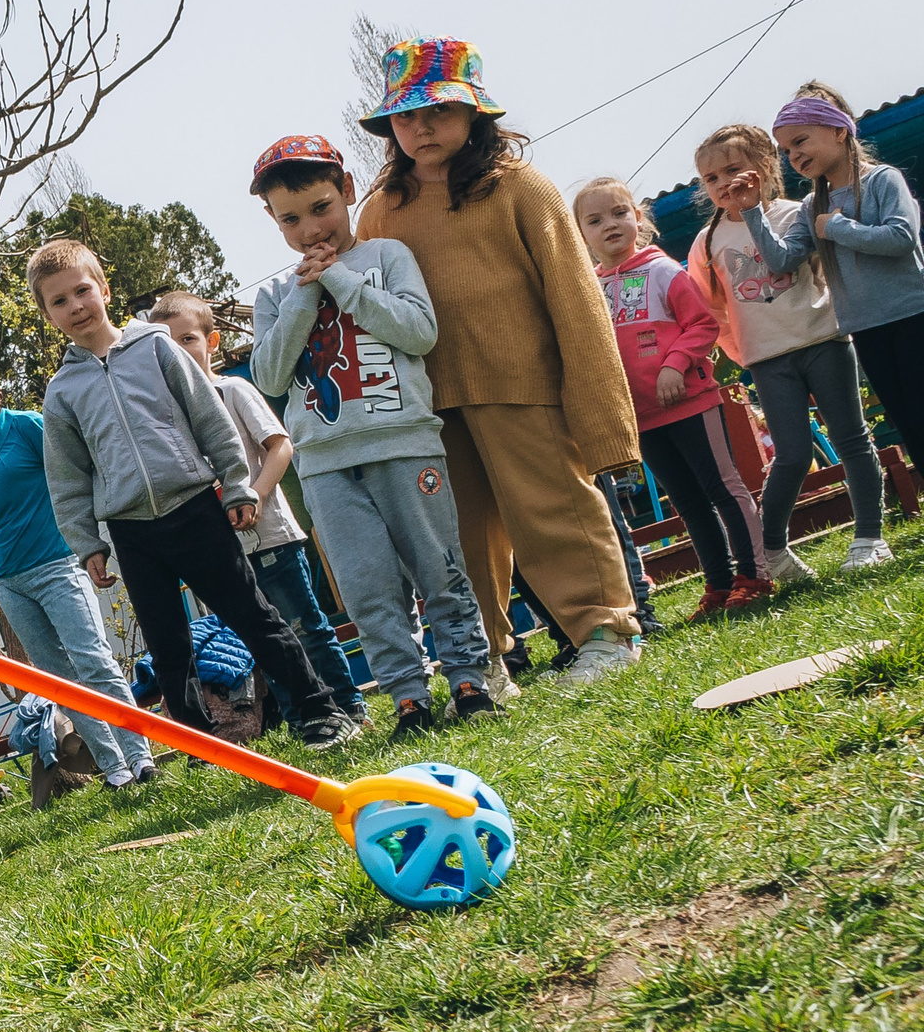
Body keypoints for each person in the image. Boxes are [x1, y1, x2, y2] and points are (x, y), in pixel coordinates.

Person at [351, 39, 644, 685]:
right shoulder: (377, 213)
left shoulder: (521, 189)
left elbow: (576, 297)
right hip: (428, 404)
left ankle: (606, 633)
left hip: (524, 385)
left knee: (554, 510)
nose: (421, 127)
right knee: (453, 539)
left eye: (439, 110)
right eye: (405, 117)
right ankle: (482, 659)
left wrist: (603, 417)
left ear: (476, 113)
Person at [30, 238, 360, 749]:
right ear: (47, 314)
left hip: (195, 508)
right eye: (59, 301)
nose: (75, 306)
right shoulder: (62, 392)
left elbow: (209, 417)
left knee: (252, 613)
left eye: (82, 291)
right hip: (132, 530)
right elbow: (67, 479)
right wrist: (89, 545)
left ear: (105, 289)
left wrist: (235, 485)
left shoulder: (156, 346)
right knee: (169, 646)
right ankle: (204, 745)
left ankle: (318, 711)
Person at [246, 134, 498, 739]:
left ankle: (469, 678)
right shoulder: (276, 295)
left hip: (404, 445)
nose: (311, 229)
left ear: (349, 191)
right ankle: (408, 697)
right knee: (367, 588)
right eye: (291, 219)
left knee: (439, 567)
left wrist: (346, 286)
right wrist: (306, 296)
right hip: (327, 466)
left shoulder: (387, 256)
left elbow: (419, 333)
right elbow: (271, 376)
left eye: (322, 207)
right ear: (273, 221)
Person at [0, 351, 159, 787]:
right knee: (61, 679)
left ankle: (140, 756)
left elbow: (78, 477)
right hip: (6, 579)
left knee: (93, 661)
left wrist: (90, 543)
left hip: (58, 564)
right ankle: (113, 768)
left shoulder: (29, 427)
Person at [149, 291, 368, 730]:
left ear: (211, 343)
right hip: (223, 554)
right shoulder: (167, 415)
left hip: (270, 538)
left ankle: (349, 707)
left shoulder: (232, 389)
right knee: (262, 640)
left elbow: (279, 445)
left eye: (189, 339)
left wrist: (257, 494)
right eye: (169, 347)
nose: (181, 353)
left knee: (305, 626)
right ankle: (301, 717)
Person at [687, 123, 882, 587]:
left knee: (852, 439)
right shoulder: (707, 242)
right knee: (791, 455)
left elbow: (821, 271)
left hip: (824, 341)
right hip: (768, 359)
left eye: (732, 169)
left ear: (766, 167)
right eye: (711, 178)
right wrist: (743, 350)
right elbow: (710, 308)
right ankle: (772, 550)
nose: (722, 183)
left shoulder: (798, 213)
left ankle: (870, 538)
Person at [573, 177, 767, 618]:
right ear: (580, 234)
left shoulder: (664, 272)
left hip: (690, 401)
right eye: (595, 219)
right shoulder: (590, 290)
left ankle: (753, 574)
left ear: (638, 218)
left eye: (620, 213)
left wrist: (672, 365)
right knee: (687, 502)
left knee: (722, 486)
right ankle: (718, 585)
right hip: (640, 416)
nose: (611, 225)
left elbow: (703, 324)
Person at [749, 82, 924, 525]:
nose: (794, 156)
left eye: (800, 141)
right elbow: (782, 260)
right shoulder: (813, 206)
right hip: (866, 328)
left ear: (839, 131)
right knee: (907, 420)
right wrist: (753, 212)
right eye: (787, 150)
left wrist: (838, 227)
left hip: (913, 316)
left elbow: (902, 239)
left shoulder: (883, 180)